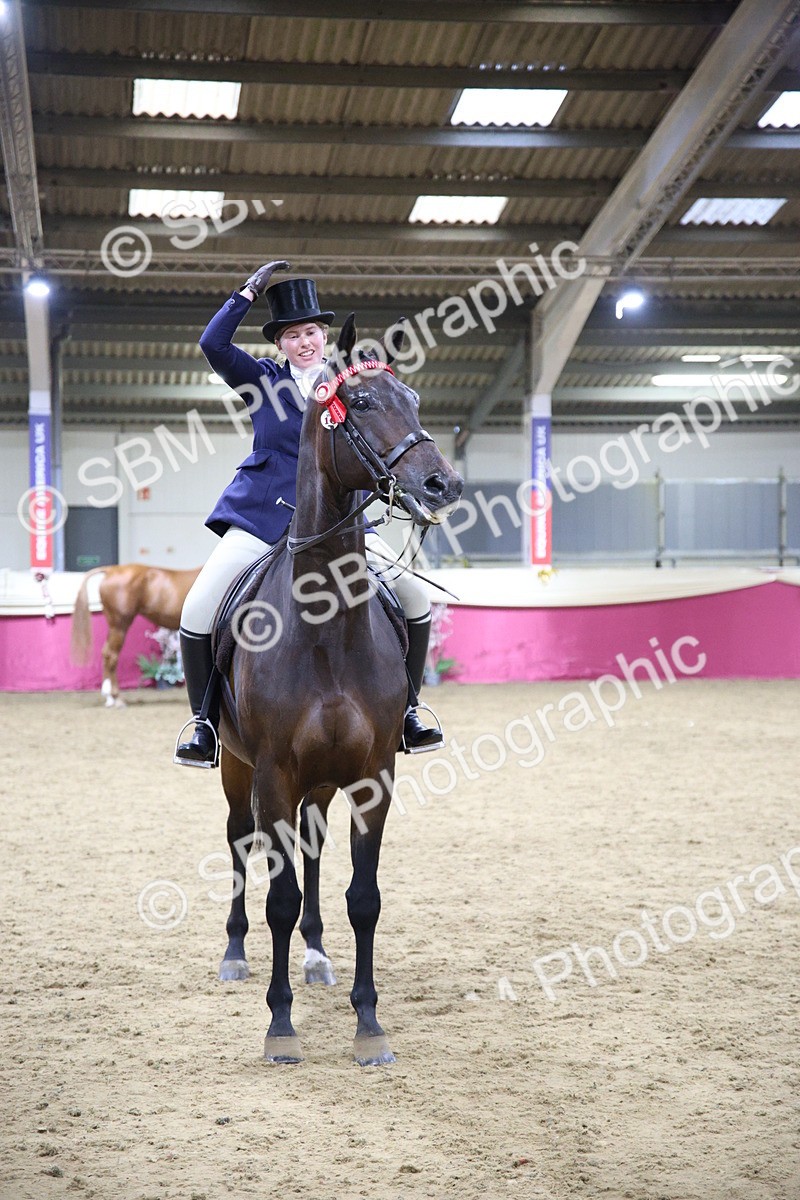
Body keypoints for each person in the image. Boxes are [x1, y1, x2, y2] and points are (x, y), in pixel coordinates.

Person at [174, 260, 444, 768]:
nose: (305, 342)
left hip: (340, 525)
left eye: (313, 332)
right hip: (264, 520)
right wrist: (248, 292)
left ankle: (409, 709)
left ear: (325, 336)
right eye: (294, 335)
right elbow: (213, 346)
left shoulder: (347, 387)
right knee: (197, 607)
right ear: (279, 343)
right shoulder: (262, 380)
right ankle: (204, 722)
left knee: (414, 594)